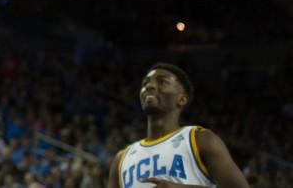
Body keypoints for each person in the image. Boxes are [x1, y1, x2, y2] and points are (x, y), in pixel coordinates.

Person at [107, 63, 250, 188]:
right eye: (145, 83)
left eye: (162, 82)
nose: (149, 86)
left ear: (181, 99)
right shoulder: (122, 159)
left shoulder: (200, 139)